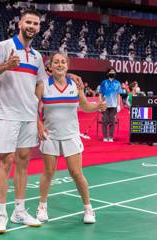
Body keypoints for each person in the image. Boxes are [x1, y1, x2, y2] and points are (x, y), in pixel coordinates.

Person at [0, 9, 82, 234]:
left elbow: (39, 86)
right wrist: (5, 66)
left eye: (36, 23)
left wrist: (37, 117)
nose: (32, 26)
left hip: (28, 117)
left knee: (23, 162)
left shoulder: (36, 56)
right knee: (6, 162)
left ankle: (19, 211)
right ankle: (0, 214)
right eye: (28, 22)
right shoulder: (3, 47)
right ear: (20, 23)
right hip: (7, 114)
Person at [36, 52, 106, 224]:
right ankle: (42, 206)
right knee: (49, 172)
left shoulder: (75, 85)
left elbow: (84, 106)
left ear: (67, 66)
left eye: (63, 62)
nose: (60, 65)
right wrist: (39, 125)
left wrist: (97, 106)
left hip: (71, 135)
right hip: (50, 136)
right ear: (50, 66)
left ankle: (88, 208)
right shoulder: (43, 85)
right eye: (56, 62)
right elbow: (32, 107)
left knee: (76, 173)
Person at [99, 67, 122, 142]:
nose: (112, 73)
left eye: (113, 72)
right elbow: (100, 94)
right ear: (108, 73)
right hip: (105, 105)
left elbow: (118, 95)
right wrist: (100, 103)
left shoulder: (117, 83)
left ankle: (111, 137)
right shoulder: (104, 82)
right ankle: (105, 137)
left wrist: (118, 105)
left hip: (114, 105)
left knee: (112, 121)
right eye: (111, 72)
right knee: (105, 121)